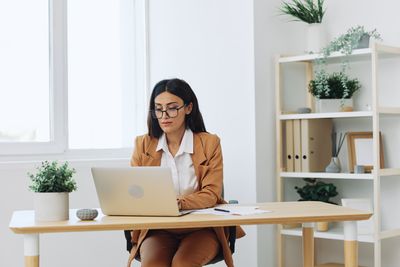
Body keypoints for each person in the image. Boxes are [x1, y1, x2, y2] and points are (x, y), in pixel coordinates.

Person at [126, 78, 245, 267]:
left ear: (188, 108)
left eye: (172, 108)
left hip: (201, 228)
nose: (164, 115)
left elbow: (211, 194)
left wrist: (178, 203)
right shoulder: (143, 144)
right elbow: (135, 192)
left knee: (184, 263)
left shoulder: (209, 143)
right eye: (158, 108)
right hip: (159, 228)